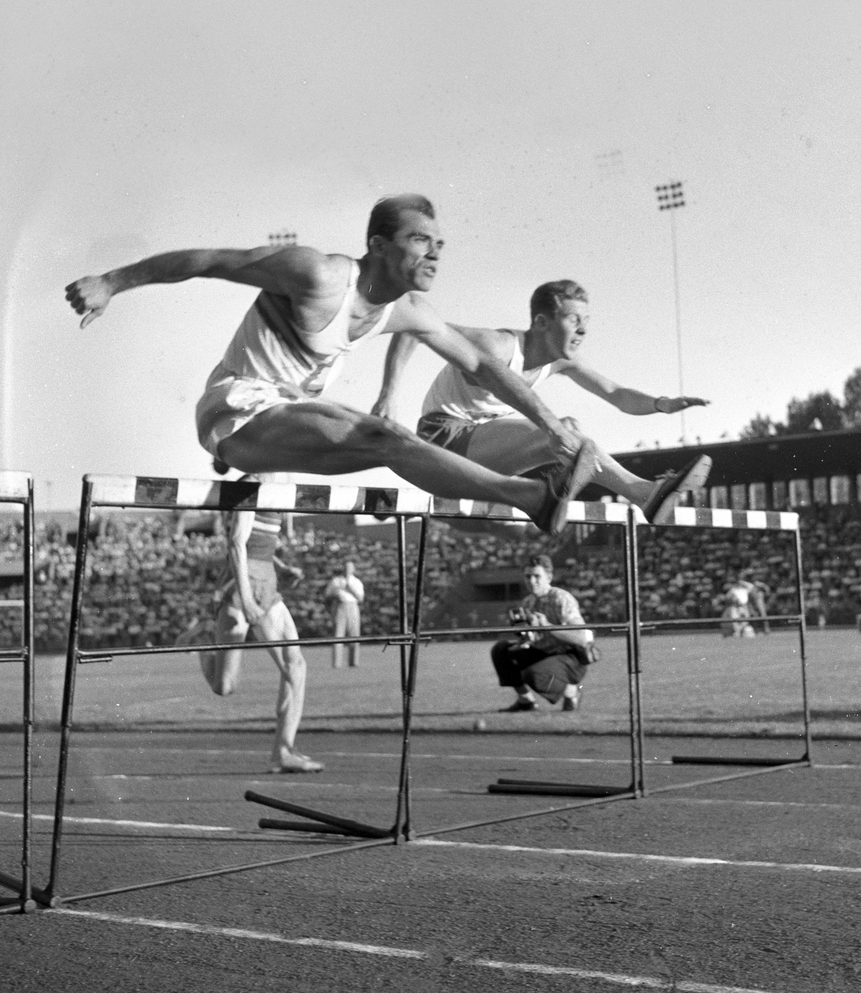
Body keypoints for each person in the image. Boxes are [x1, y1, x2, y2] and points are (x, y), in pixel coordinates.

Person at [65, 195, 600, 535]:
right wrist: (111, 282)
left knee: (393, 445)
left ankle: (531, 498)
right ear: (377, 245)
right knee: (385, 435)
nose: (435, 254)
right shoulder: (318, 275)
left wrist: (550, 426)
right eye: (420, 241)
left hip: (288, 415)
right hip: (236, 409)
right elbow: (207, 262)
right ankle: (531, 497)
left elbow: (484, 367)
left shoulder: (407, 310)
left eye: (440, 244)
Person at [373, 278, 712, 522]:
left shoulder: (562, 362)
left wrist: (661, 403)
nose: (583, 330)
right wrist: (389, 394)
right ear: (541, 322)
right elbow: (412, 326)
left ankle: (642, 494)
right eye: (573, 319)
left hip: (485, 446)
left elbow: (616, 394)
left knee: (569, 433)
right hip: (442, 439)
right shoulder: (498, 346)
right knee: (559, 431)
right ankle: (618, 491)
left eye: (586, 321)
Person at [184, 479, 323, 774]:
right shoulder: (250, 485)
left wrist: (284, 569)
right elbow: (236, 543)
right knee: (224, 687)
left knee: (295, 665)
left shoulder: (280, 488)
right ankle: (203, 638)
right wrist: (246, 600)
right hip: (240, 587)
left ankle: (283, 752)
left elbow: (259, 546)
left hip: (268, 586)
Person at [490, 553, 596, 712]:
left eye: (537, 576)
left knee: (534, 675)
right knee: (501, 650)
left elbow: (582, 638)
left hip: (568, 656)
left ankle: (571, 690)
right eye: (528, 576)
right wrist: (523, 633)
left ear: (549, 577)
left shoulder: (561, 599)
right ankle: (526, 701)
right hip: (543, 651)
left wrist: (547, 626)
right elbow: (533, 637)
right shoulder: (528, 602)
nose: (531, 581)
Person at [325, 559, 364, 668]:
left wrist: (349, 588)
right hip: (340, 606)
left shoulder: (356, 582)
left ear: (353, 569)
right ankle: (337, 663)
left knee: (354, 635)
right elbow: (327, 595)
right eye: (346, 567)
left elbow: (360, 598)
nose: (347, 569)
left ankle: (354, 662)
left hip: (352, 606)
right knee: (338, 635)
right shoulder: (336, 581)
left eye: (350, 567)